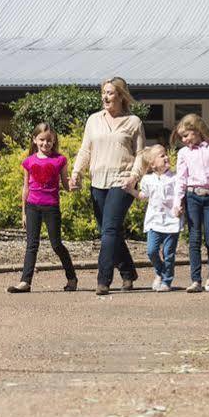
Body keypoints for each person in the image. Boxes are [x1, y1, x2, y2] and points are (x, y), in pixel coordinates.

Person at [70, 77, 145, 296]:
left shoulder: (134, 122)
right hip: (97, 180)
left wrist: (133, 176)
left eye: (110, 93)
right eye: (103, 92)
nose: (105, 96)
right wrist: (76, 173)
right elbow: (85, 150)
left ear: (121, 96)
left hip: (122, 181)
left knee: (109, 230)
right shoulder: (94, 120)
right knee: (109, 231)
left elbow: (141, 154)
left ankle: (103, 280)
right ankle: (129, 272)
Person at [8, 123, 78, 293]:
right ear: (34, 139)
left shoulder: (60, 160)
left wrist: (74, 185)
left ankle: (72, 278)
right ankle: (25, 281)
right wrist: (23, 212)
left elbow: (66, 185)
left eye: (49, 141)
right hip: (32, 206)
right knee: (31, 245)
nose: (45, 144)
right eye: (42, 140)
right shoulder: (28, 162)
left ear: (54, 141)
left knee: (56, 244)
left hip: (51, 207)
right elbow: (26, 188)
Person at [170, 113, 209, 293]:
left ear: (198, 131)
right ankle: (195, 280)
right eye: (182, 137)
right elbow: (181, 179)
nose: (184, 140)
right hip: (192, 197)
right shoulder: (183, 154)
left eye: (186, 135)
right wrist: (177, 202)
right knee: (194, 238)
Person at [128, 145, 181, 292]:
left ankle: (167, 281)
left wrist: (180, 206)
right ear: (152, 164)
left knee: (168, 253)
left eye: (166, 155)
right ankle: (160, 271)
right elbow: (143, 196)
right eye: (162, 156)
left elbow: (180, 195)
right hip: (154, 221)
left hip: (172, 222)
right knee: (151, 251)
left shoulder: (175, 178)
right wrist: (130, 190)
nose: (166, 157)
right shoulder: (147, 179)